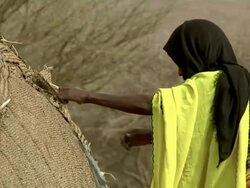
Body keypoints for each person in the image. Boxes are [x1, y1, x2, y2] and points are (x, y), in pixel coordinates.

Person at [58, 19, 250, 188]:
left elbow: (153, 104)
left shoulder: (211, 83)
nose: (180, 72)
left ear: (198, 53)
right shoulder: (238, 85)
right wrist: (152, 135)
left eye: (182, 62)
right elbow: (214, 134)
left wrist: (87, 96)